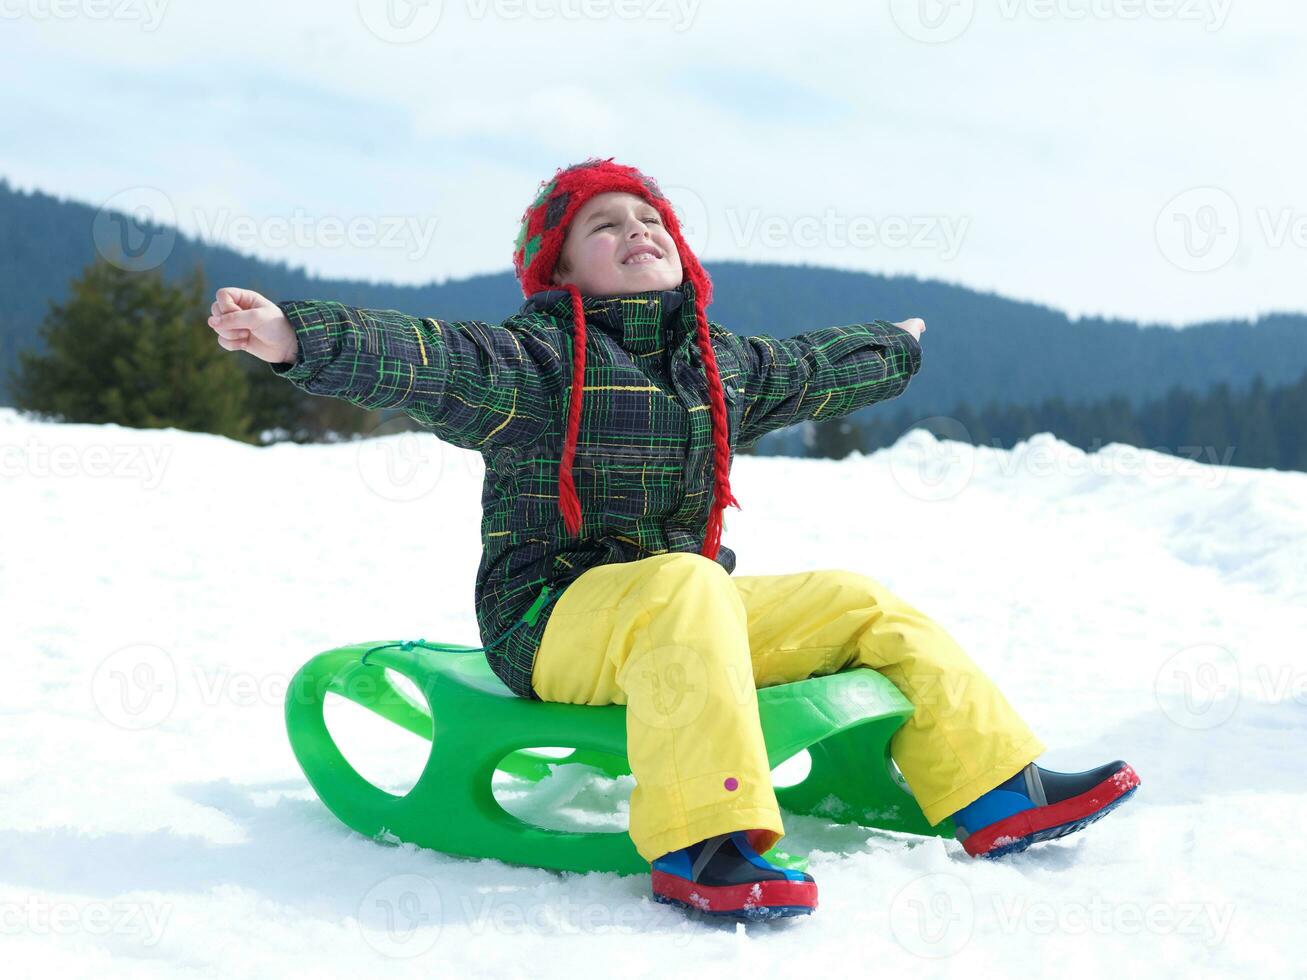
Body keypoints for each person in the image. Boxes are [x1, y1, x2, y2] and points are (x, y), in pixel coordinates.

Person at [207, 157, 1139, 922]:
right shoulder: (536, 364)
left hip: (679, 619)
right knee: (688, 584)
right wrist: (297, 336)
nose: (636, 232)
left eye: (648, 219)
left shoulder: (716, 364)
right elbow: (430, 357)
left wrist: (891, 345)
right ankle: (704, 838)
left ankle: (997, 791)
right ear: (562, 270)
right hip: (552, 623)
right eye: (603, 226)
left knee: (854, 600)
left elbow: (805, 370)